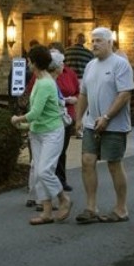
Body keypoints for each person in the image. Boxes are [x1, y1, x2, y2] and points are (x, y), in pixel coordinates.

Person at [74, 27, 134, 224]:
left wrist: (107, 116)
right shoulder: (90, 65)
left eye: (99, 40)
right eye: (93, 41)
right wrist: (79, 119)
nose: (94, 44)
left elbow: (125, 94)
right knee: (87, 161)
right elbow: (83, 94)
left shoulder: (120, 64)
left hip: (114, 125)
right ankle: (91, 207)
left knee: (114, 164)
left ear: (110, 42)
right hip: (92, 124)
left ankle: (121, 208)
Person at [11, 44, 72, 225]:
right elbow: (37, 116)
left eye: (29, 61)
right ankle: (46, 213)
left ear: (34, 63)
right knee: (38, 172)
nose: (28, 64)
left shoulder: (45, 83)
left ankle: (63, 199)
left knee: (45, 170)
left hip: (52, 133)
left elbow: (35, 112)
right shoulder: (39, 81)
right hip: (37, 132)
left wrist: (17, 119)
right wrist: (26, 126)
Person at [48, 47, 80, 192]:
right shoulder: (45, 77)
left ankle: (61, 180)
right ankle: (48, 182)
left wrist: (75, 99)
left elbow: (78, 92)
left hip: (67, 116)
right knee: (51, 151)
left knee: (62, 150)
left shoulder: (69, 73)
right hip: (52, 117)